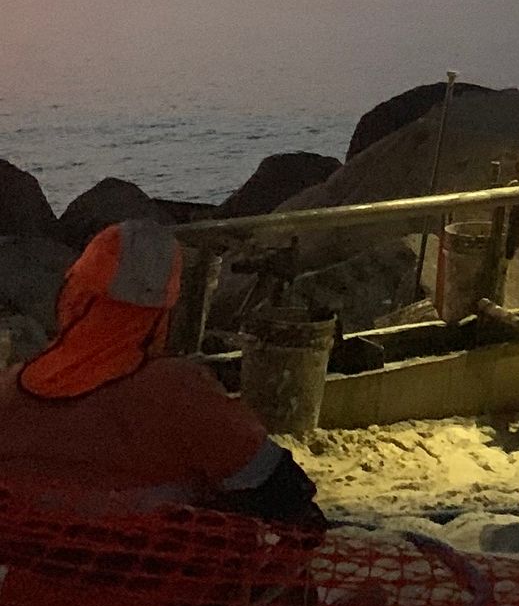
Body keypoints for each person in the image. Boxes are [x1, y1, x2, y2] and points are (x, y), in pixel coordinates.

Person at [0, 218, 324, 528]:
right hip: (151, 563)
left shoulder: (9, 388)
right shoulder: (175, 392)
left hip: (32, 563)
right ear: (163, 313)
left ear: (72, 295)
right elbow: (281, 486)